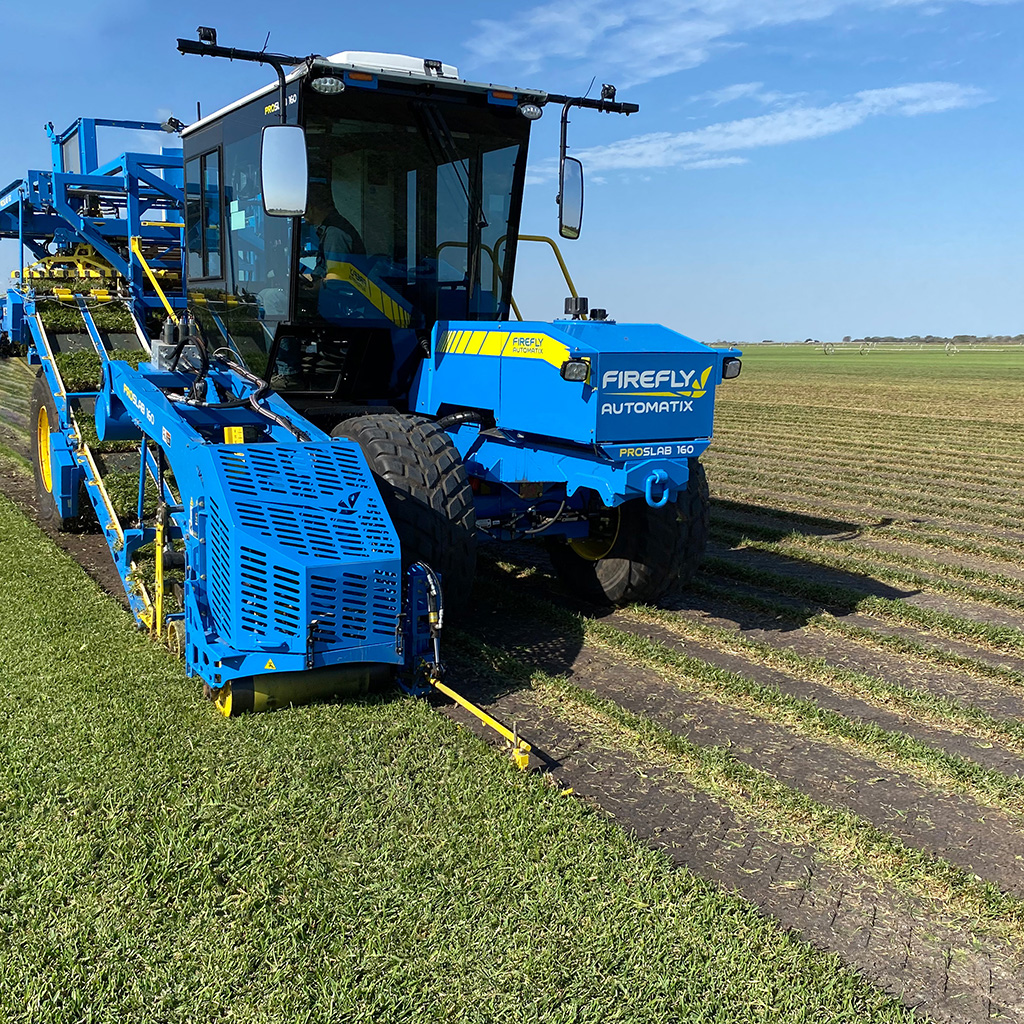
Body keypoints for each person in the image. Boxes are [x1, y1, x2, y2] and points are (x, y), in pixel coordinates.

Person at [303, 181, 366, 284]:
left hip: (334, 296)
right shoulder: (330, 229)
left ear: (311, 207)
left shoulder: (335, 234)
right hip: (327, 289)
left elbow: (336, 280)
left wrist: (314, 287)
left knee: (271, 296)